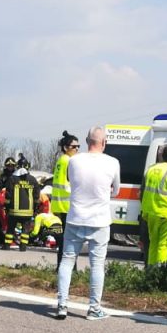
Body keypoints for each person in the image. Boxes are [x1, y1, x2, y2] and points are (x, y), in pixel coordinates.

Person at [55, 125, 120, 321]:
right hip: (99, 221)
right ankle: (93, 308)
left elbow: (71, 182)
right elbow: (115, 191)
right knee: (97, 265)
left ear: (86, 141)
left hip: (75, 218)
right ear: (104, 142)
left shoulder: (74, 161)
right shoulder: (113, 162)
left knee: (67, 260)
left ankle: (62, 305)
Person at [51, 130, 80, 266]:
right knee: (69, 239)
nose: (77, 149)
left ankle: (62, 266)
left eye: (78, 146)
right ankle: (68, 267)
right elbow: (71, 184)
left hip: (60, 205)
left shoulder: (61, 160)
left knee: (65, 239)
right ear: (65, 148)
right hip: (68, 205)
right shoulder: (69, 161)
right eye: (74, 147)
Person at [0, 162, 40, 251]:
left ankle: (7, 246)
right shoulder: (33, 180)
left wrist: (6, 207)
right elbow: (37, 196)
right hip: (28, 212)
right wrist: (35, 208)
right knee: (25, 231)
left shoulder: (12, 179)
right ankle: (23, 247)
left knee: (10, 230)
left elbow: (8, 195)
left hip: (14, 211)